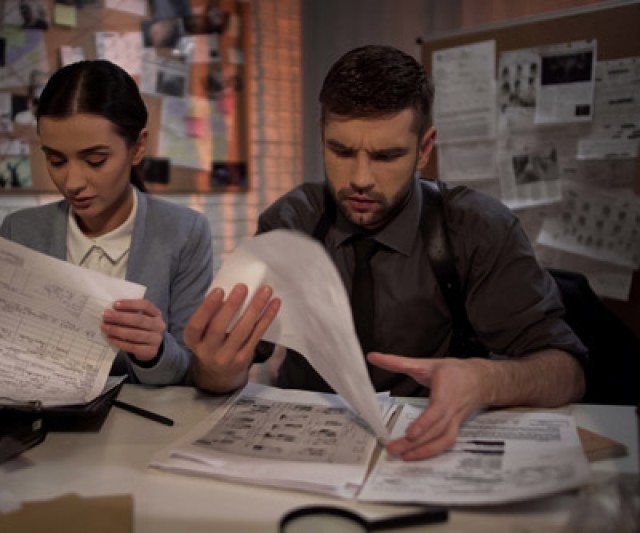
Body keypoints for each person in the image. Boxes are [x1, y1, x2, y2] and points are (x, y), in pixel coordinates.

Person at [184, 45, 586, 460]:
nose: (360, 179)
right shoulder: (292, 222)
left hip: (428, 446)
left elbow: (566, 372)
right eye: (340, 151)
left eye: (387, 156)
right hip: (304, 449)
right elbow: (223, 372)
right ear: (322, 135)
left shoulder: (477, 229)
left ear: (424, 148)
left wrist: (486, 380)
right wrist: (216, 367)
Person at [0, 60, 213, 388]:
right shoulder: (22, 230)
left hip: (144, 431)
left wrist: (155, 350)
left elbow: (191, 368)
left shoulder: (184, 232)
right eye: (56, 160)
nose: (72, 181)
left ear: (137, 147)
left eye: (95, 161)